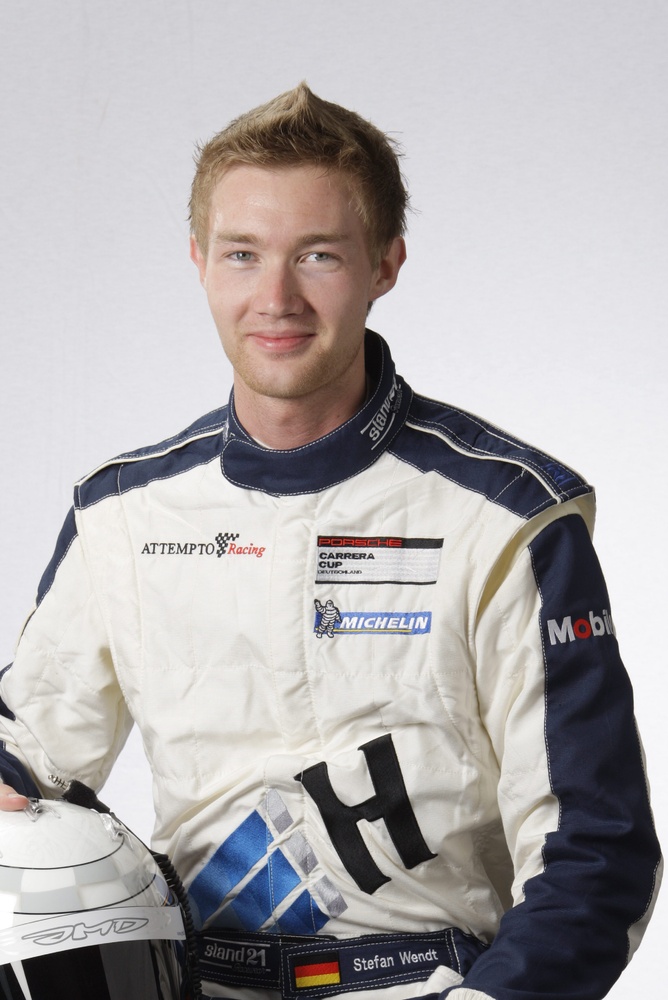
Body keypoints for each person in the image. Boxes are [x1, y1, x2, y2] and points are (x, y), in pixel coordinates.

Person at [0, 84, 661, 1000]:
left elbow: (597, 850)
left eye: (318, 255)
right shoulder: (123, 513)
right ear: (199, 262)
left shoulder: (508, 515)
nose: (275, 298)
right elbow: (25, 765)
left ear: (385, 264)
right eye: (242, 254)